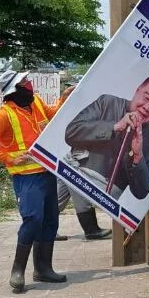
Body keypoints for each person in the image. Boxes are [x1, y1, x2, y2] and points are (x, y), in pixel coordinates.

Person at [0, 70, 66, 293]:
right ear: (14, 89)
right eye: (24, 82)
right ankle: (18, 270)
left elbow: (52, 114)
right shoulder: (4, 115)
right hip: (26, 179)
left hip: (47, 172)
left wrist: (64, 97)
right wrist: (9, 158)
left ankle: (43, 269)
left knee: (50, 221)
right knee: (33, 220)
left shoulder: (35, 102)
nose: (29, 84)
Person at [64, 76, 149, 200]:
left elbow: (141, 192)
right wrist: (114, 127)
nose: (147, 107)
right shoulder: (107, 103)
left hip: (104, 196)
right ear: (137, 90)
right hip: (72, 171)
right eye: (146, 98)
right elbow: (71, 132)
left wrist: (138, 157)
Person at [51, 83, 112, 240]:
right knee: (80, 193)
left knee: (59, 197)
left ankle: (45, 231)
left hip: (69, 157)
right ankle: (91, 230)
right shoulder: (89, 113)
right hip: (74, 159)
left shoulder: (92, 111)